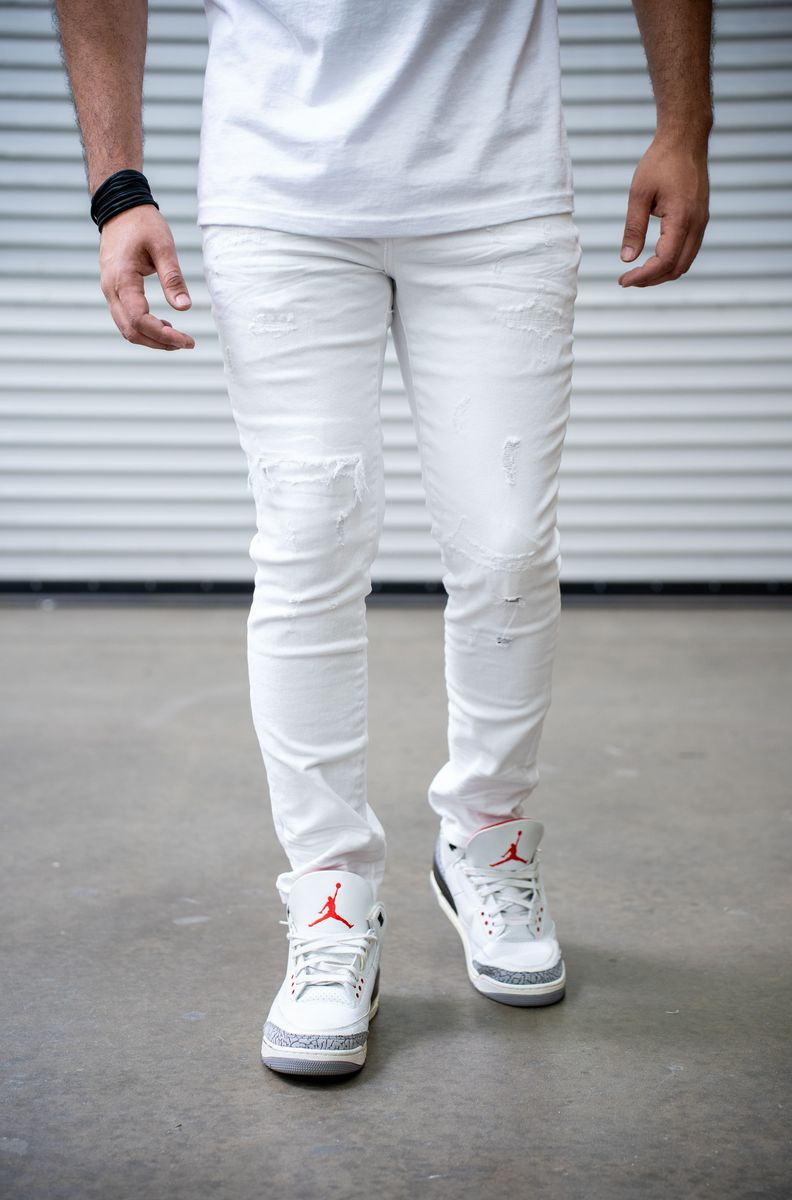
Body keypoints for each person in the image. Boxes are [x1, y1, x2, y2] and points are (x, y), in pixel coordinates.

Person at [54, 0, 713, 1077]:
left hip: (495, 182)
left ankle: (485, 837)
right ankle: (330, 894)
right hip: (280, 194)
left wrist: (682, 124)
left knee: (506, 547)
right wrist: (117, 184)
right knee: (308, 544)